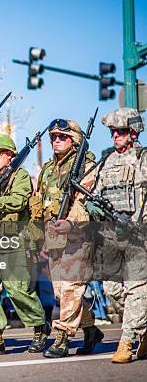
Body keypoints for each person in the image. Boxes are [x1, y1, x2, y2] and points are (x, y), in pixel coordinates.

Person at [0, 134, 49, 355]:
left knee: (17, 290)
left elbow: (19, 201)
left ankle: (40, 328)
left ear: (10, 156)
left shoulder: (20, 176)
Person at [34, 119, 103, 359]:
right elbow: (38, 204)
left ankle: (62, 338)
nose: (56, 140)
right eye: (53, 136)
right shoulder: (47, 170)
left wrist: (70, 223)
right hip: (53, 237)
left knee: (72, 288)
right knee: (61, 293)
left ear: (74, 140)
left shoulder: (86, 165)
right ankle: (91, 329)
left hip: (78, 236)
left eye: (61, 137)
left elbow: (84, 202)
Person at [87, 108, 147, 363]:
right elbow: (94, 193)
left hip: (138, 235)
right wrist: (94, 207)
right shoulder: (107, 161)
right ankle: (142, 330)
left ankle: (127, 341)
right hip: (112, 236)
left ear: (133, 133)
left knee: (136, 289)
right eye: (112, 131)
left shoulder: (143, 159)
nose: (115, 136)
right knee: (113, 292)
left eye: (120, 131)